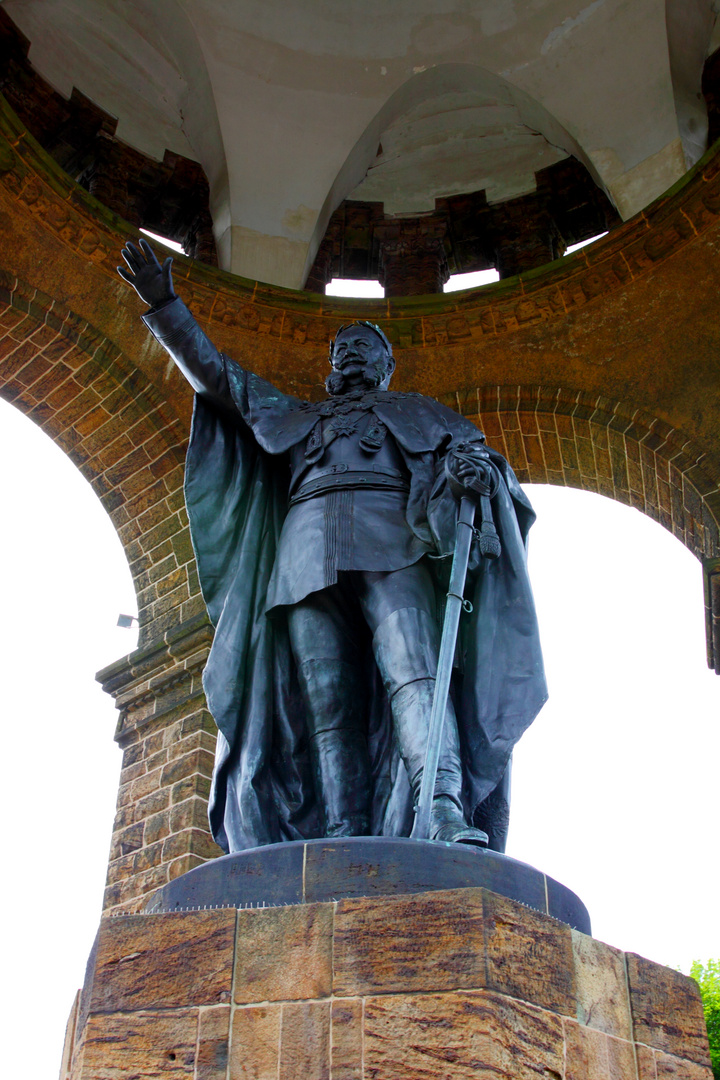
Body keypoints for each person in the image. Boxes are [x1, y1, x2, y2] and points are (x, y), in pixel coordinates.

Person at [118, 239, 547, 854]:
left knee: (417, 677)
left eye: (365, 350)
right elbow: (218, 378)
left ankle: (445, 810)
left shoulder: (422, 413)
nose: (351, 356)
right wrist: (165, 307)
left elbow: (475, 460)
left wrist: (475, 471)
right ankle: (342, 830)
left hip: (393, 547)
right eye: (343, 349)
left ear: (385, 368)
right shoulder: (292, 415)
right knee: (328, 703)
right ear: (330, 367)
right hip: (303, 561)